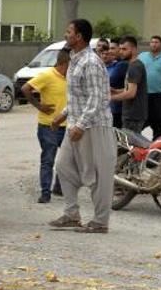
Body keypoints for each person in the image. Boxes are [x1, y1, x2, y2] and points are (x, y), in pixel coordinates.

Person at [50, 19, 117, 234]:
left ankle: (100, 221)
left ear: (79, 37)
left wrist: (80, 124)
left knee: (98, 174)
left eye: (69, 31)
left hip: (94, 126)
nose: (65, 34)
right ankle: (71, 214)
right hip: (76, 125)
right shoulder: (74, 59)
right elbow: (77, 97)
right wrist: (62, 116)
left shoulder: (91, 62)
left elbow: (97, 98)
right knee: (63, 165)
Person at [21, 49, 70, 204]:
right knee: (48, 159)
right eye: (71, 65)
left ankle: (58, 186)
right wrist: (39, 105)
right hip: (49, 126)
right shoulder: (48, 75)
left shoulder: (70, 78)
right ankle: (45, 192)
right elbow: (25, 88)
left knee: (68, 159)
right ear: (63, 64)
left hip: (67, 125)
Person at [111, 36, 148, 133]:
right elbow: (130, 89)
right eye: (120, 49)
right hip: (131, 115)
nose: (121, 52)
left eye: (124, 49)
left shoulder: (135, 67)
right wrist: (115, 91)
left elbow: (131, 93)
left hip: (133, 116)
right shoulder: (132, 65)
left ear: (134, 49)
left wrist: (110, 98)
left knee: (131, 146)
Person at [106, 40, 129, 128]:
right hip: (112, 108)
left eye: (113, 48)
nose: (110, 51)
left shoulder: (122, 65)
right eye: (109, 48)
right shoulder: (115, 65)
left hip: (119, 109)